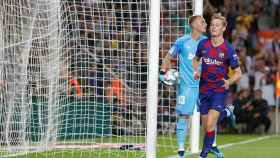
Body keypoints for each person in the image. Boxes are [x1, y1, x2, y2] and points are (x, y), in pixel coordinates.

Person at [193, 13, 242, 158]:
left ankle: (203, 154)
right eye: (212, 25)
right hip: (204, 89)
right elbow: (196, 60)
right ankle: (227, 112)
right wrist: (196, 71)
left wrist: (229, 81)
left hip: (219, 90)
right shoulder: (203, 44)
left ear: (224, 28)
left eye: (217, 25)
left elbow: (238, 73)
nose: (213, 27)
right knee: (206, 127)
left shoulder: (228, 49)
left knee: (209, 124)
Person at [160, 15, 207, 158]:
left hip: (204, 85)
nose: (205, 23)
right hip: (187, 86)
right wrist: (163, 73)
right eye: (202, 21)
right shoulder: (182, 41)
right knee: (184, 115)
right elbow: (168, 57)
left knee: (209, 117)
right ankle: (181, 149)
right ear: (193, 24)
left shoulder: (207, 42)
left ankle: (212, 146)